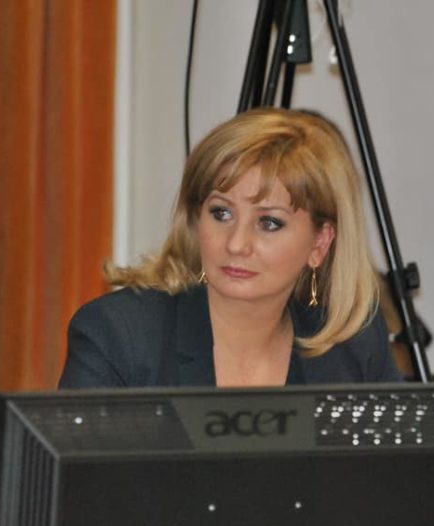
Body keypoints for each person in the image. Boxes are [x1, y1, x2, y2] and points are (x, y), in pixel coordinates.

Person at [59, 107, 402, 388]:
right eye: (221, 213)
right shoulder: (120, 335)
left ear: (320, 243)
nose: (236, 244)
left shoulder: (352, 346)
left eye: (269, 223)